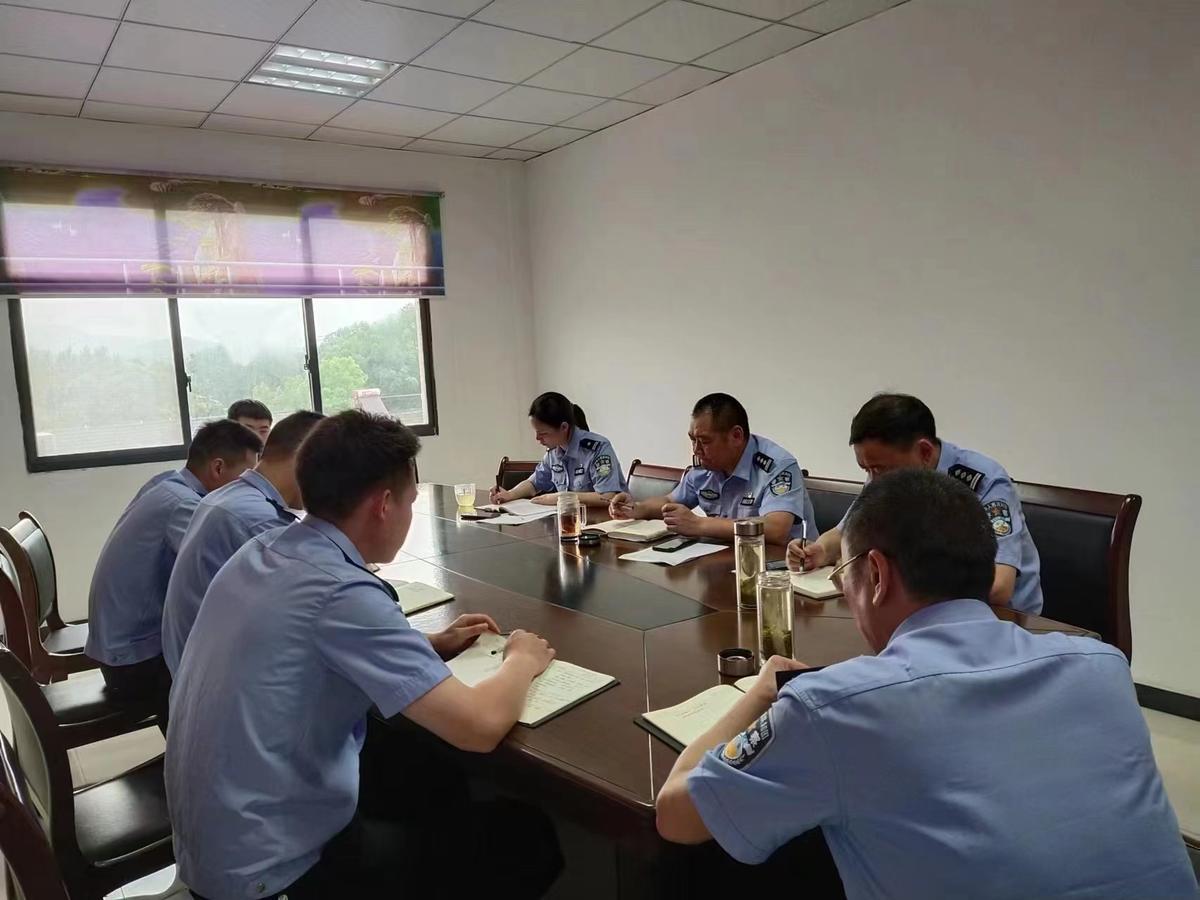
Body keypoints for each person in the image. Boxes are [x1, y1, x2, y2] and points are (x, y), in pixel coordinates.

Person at [656, 469, 1198, 899]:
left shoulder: (832, 707)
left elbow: (677, 814)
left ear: (876, 574)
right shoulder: (1102, 666)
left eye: (843, 574)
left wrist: (761, 693)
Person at [167, 411, 563, 900]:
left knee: (426, 775)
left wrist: (426, 645)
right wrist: (522, 658)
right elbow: (478, 727)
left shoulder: (266, 550)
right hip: (272, 873)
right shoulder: (341, 591)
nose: (409, 514)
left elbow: (309, 650)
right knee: (526, 839)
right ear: (384, 504)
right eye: (410, 502)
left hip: (217, 841)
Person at [789, 393, 1042, 612]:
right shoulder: (885, 475)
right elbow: (846, 531)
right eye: (867, 469)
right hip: (920, 611)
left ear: (924, 452)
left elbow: (998, 587)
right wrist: (819, 551)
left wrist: (893, 584)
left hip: (1002, 620)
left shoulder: (984, 483)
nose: (874, 481)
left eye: (879, 469)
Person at [85, 419, 262, 712]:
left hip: (116, 645)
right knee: (246, 666)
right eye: (247, 477)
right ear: (218, 468)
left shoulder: (166, 483)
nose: (251, 487)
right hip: (135, 662)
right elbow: (231, 570)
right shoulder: (186, 506)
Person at [161, 411, 325, 676]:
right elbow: (312, 606)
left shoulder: (233, 495)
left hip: (196, 664)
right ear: (305, 461)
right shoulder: (257, 518)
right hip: (220, 672)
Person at [608, 393, 816, 545]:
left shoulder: (777, 466)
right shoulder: (704, 467)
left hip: (783, 567)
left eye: (705, 441)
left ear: (736, 436)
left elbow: (776, 528)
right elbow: (670, 501)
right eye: (692, 439)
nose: (696, 449)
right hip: (726, 558)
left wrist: (700, 525)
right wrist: (636, 508)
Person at [490, 391, 625, 508]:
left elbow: (607, 497)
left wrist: (562, 497)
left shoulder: (598, 448)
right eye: (536, 432)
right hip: (572, 520)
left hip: (608, 521)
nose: (537, 438)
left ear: (564, 427)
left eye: (543, 433)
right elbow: (534, 483)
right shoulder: (554, 452)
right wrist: (509, 494)